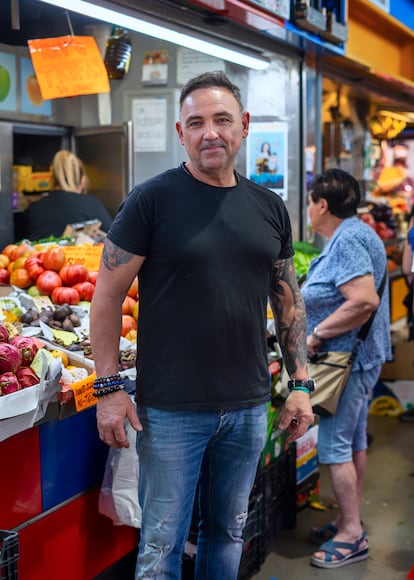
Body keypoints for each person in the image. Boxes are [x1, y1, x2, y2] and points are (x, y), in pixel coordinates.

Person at [89, 70, 314, 580]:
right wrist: (107, 387)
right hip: (170, 409)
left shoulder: (269, 207)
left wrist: (299, 383)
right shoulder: (151, 201)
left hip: (248, 404)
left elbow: (288, 301)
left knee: (228, 533)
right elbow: (105, 298)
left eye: (221, 120)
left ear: (244, 126)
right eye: (196, 122)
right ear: (181, 133)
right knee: (162, 544)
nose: (210, 132)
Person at [301, 168, 391, 568]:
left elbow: (363, 300)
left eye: (309, 203)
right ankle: (346, 518)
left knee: (334, 445)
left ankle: (352, 535)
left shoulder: (349, 238)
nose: (308, 210)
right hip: (362, 356)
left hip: (346, 360)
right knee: (353, 440)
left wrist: (317, 331)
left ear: (322, 204)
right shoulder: (356, 232)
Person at [17, 150, 113, 240]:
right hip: (83, 257)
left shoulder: (33, 209)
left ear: (53, 180)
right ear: (82, 181)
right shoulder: (92, 203)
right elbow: (114, 241)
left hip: (38, 257)